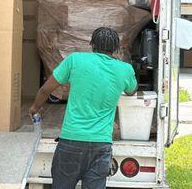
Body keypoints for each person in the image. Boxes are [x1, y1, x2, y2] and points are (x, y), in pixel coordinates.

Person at [29, 27, 138, 189]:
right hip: (101, 145)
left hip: (71, 141)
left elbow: (46, 89)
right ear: (116, 49)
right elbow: (132, 90)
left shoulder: (75, 60)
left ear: (92, 45)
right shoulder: (125, 69)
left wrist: (35, 107)